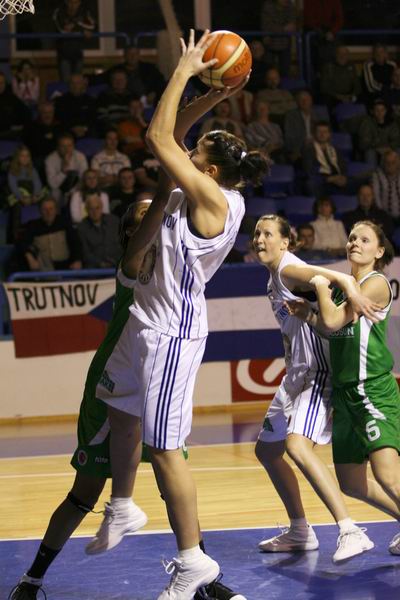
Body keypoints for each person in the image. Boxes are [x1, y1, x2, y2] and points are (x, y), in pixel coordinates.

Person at [90, 30, 269, 599]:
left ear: (209, 174)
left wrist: (185, 70)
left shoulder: (214, 202)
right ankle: (123, 504)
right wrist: (216, 94)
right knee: (120, 408)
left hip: (172, 334)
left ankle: (193, 561)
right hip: (145, 321)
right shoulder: (206, 186)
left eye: (195, 157)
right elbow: (174, 137)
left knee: (166, 450)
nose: (185, 156)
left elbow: (158, 136)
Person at [9, 195, 246, 600]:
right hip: (112, 390)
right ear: (132, 232)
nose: (160, 223)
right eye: (146, 218)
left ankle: (203, 579)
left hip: (156, 381)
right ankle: (32, 579)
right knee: (85, 492)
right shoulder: (133, 263)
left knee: (172, 480)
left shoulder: (175, 268)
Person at [253, 214, 377, 562]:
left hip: (317, 374)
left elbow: (335, 278)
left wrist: (352, 290)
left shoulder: (289, 270)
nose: (259, 240)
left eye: (268, 234)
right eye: (257, 234)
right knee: (267, 452)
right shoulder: (274, 278)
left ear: (285, 242)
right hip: (295, 376)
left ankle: (349, 529)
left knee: (297, 447)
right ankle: (299, 531)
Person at [289, 220, 400, 556]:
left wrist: (321, 286)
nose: (355, 243)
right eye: (352, 238)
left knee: (387, 476)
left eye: (364, 239)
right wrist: (309, 315)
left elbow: (335, 320)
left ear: (378, 251)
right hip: (344, 393)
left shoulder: (375, 283)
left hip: (372, 390)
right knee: (352, 482)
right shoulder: (344, 288)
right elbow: (330, 329)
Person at [20, 196, 82, 271]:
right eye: (45, 209)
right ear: (40, 211)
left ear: (56, 210)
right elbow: (23, 243)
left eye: (51, 209)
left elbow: (75, 243)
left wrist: (77, 260)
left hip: (65, 267)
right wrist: (30, 258)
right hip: (42, 269)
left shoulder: (64, 223)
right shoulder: (33, 226)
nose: (48, 212)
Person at [53, 0, 96, 82]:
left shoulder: (85, 11)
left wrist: (77, 27)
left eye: (76, 2)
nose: (73, 5)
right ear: (66, 2)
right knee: (66, 83)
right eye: (71, 2)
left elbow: (92, 26)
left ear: (80, 3)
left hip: (78, 53)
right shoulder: (59, 11)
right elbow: (62, 30)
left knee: (78, 81)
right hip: (64, 54)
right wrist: (81, 29)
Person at [77, 193, 121, 268]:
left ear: (102, 207)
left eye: (97, 208)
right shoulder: (82, 227)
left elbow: (122, 245)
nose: (95, 212)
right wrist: (101, 264)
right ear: (86, 210)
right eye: (91, 209)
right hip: (95, 268)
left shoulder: (114, 221)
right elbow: (85, 253)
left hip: (117, 265)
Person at [45, 132, 88, 206]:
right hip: (57, 194)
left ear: (73, 146)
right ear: (58, 147)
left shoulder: (80, 157)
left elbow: (84, 178)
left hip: (76, 191)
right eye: (63, 146)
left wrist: (73, 192)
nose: (67, 149)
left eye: (69, 145)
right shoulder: (50, 160)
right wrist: (63, 171)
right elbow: (53, 185)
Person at [358, 99, 400, 167]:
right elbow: (364, 143)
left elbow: (396, 139)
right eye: (377, 110)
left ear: (386, 111)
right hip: (373, 149)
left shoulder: (392, 123)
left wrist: (389, 147)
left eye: (382, 110)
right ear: (372, 111)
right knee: (369, 152)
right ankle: (372, 172)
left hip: (388, 148)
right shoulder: (367, 122)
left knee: (398, 150)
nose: (380, 113)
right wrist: (377, 148)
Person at [54, 72, 97, 138]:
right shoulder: (60, 100)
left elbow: (93, 118)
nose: (75, 86)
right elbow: (60, 119)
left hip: (87, 131)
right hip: (67, 131)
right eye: (72, 83)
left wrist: (84, 129)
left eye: (78, 83)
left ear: (83, 85)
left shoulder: (91, 100)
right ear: (69, 85)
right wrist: (73, 128)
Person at [260, 0, 297, 76]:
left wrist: (281, 29)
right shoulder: (268, 6)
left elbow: (292, 25)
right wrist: (283, 29)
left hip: (285, 42)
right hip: (270, 42)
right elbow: (267, 26)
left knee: (285, 69)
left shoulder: (290, 7)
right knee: (268, 69)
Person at [320, 45, 361, 110]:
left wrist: (351, 96)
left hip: (349, 95)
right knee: (326, 98)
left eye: (345, 54)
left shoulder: (352, 67)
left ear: (348, 56)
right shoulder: (328, 67)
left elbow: (357, 86)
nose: (342, 56)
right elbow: (324, 88)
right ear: (336, 55)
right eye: (340, 54)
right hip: (334, 97)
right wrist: (338, 96)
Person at [284, 90, 318, 164]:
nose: (304, 102)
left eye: (306, 99)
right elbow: (289, 136)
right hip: (300, 147)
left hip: (317, 144)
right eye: (301, 100)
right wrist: (303, 141)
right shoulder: (291, 116)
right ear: (297, 102)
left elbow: (327, 132)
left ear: (311, 101)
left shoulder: (318, 115)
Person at [372, 149, 400, 225]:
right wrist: (383, 216)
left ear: (398, 163)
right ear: (383, 164)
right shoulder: (377, 175)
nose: (390, 165)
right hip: (386, 216)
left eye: (393, 162)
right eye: (387, 163)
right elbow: (376, 197)